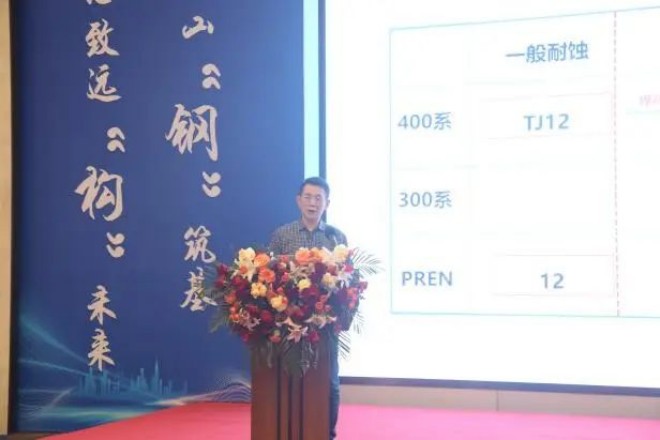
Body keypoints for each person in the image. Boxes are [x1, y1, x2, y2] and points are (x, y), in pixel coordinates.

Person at [269, 176, 347, 440]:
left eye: (318, 198)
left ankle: (327, 434)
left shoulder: (335, 237)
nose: (313, 203)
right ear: (298, 200)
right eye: (308, 197)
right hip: (289, 323)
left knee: (330, 384)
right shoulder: (282, 235)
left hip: (324, 324)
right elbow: (269, 276)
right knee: (289, 380)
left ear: (327, 203)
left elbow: (347, 279)